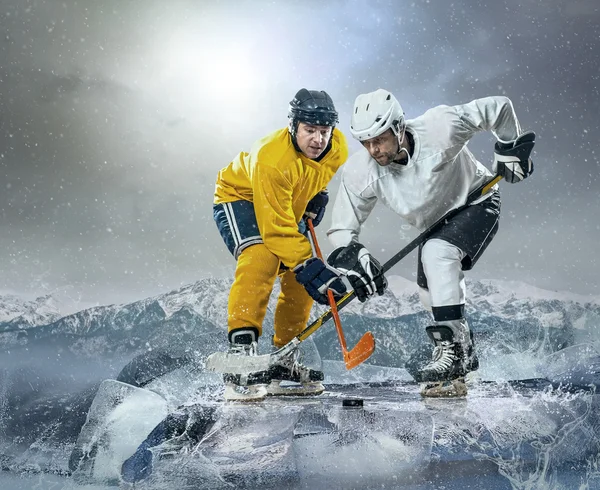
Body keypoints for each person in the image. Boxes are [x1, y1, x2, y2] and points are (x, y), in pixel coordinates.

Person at [325, 89, 535, 397]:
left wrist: (508, 148)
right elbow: (341, 229)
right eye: (366, 142)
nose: (374, 150)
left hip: (476, 201)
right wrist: (356, 257)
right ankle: (463, 356)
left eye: (379, 139)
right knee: (428, 294)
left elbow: (499, 107)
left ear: (398, 127)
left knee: (437, 254)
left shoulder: (441, 127)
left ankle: (453, 353)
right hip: (434, 226)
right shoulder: (361, 173)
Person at [213, 88, 349, 400]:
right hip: (242, 197)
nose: (318, 140)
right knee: (262, 257)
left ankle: (285, 354)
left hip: (285, 203)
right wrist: (310, 266)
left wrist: (318, 193)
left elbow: (316, 176)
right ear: (294, 127)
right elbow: (276, 231)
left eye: (324, 131)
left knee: (299, 278)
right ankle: (241, 352)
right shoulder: (271, 158)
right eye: (309, 130)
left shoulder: (338, 148)